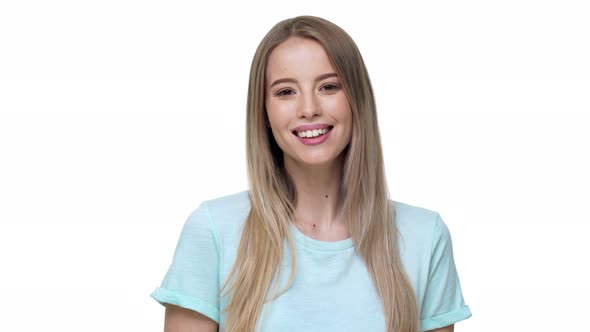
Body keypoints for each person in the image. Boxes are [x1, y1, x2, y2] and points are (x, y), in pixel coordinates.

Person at [150, 15, 471, 332]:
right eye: (285, 92)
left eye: (329, 86)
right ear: (263, 112)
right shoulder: (213, 231)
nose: (308, 108)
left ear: (357, 100)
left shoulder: (425, 237)